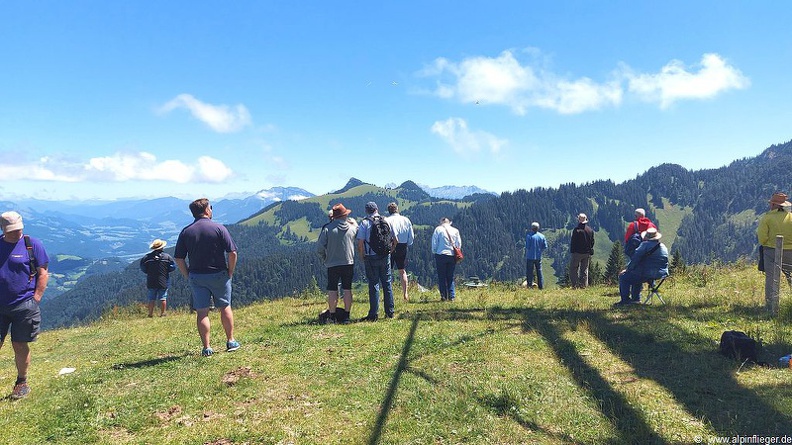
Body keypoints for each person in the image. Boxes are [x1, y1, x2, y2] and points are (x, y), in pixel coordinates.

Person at [174, 198, 240, 357]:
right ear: (206, 210)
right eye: (211, 207)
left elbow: (178, 258)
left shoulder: (186, 231)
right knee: (225, 307)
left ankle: (207, 348)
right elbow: (232, 253)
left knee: (202, 312)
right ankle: (230, 341)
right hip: (219, 274)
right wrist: (230, 271)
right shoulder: (219, 228)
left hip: (197, 276)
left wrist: (187, 274)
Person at [0, 211, 49, 399]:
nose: (16, 233)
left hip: (24, 305)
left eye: (18, 229)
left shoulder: (32, 245)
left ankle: (21, 383)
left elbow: (43, 273)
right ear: (3, 229)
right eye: (11, 230)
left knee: (19, 344)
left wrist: (35, 299)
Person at [317, 203, 358, 324]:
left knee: (332, 290)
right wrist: (353, 222)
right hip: (348, 262)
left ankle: (332, 316)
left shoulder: (327, 229)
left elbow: (319, 248)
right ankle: (346, 316)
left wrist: (325, 258)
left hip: (332, 264)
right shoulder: (352, 229)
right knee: (347, 289)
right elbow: (357, 227)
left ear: (334, 216)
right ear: (345, 215)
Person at [356, 202, 397, 321]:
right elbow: (396, 240)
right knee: (387, 283)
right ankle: (390, 312)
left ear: (366, 211)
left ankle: (373, 314)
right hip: (385, 256)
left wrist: (362, 255)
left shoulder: (364, 223)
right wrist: (390, 251)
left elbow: (360, 243)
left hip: (370, 257)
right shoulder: (386, 221)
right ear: (377, 209)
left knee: (374, 285)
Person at [757, 192, 792, 310]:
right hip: (790, 251)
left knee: (771, 278)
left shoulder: (767, 217)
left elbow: (762, 238)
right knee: (791, 276)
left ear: (773, 205)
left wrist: (767, 244)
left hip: (771, 251)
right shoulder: (791, 217)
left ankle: (771, 305)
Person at [616, 228, 669, 305]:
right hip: (662, 274)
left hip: (647, 274)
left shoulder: (645, 245)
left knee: (623, 277)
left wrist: (627, 270)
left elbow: (635, 259)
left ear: (647, 237)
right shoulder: (663, 246)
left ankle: (626, 301)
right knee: (637, 274)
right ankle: (635, 299)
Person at [139, 239, 177, 317]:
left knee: (151, 298)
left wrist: (149, 272)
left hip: (151, 280)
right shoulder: (167, 257)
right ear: (162, 247)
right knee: (163, 298)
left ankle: (150, 314)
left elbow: (143, 267)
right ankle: (163, 313)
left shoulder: (147, 257)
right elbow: (173, 267)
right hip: (163, 280)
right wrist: (166, 270)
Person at [385, 202, 414, 301]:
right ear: (397, 209)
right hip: (403, 246)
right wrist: (407, 243)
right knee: (402, 270)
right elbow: (411, 237)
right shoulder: (406, 220)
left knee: (388, 271)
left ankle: (389, 294)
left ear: (389, 211)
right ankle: (405, 293)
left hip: (390, 245)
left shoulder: (387, 220)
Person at [431, 217, 462, 301]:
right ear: (449, 223)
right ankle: (452, 296)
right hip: (452, 255)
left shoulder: (438, 229)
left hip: (441, 254)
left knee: (442, 276)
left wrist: (435, 251)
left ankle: (443, 296)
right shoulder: (455, 230)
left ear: (441, 222)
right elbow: (458, 244)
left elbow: (434, 243)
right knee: (450, 276)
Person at [569, 213, 595, 288]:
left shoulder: (576, 230)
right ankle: (583, 285)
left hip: (577, 253)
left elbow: (573, 242)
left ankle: (575, 285)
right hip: (586, 253)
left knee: (573, 269)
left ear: (579, 220)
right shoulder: (590, 230)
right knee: (584, 270)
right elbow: (592, 242)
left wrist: (572, 251)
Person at [525, 222, 548, 289]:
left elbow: (527, 246)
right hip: (538, 257)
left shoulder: (529, 236)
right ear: (538, 228)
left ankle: (529, 286)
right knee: (539, 271)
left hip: (530, 257)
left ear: (532, 228)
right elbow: (545, 246)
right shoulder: (542, 236)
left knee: (529, 272)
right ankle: (541, 287)